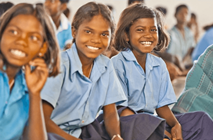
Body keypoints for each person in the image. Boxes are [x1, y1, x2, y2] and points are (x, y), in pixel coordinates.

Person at [41, 2, 165, 140]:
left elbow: (110, 113)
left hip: (84, 131)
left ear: (111, 36)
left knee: (138, 124)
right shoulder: (59, 65)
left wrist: (116, 136)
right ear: (74, 31)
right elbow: (43, 120)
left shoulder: (105, 65)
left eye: (104, 34)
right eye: (88, 32)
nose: (96, 40)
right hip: (52, 132)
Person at [111, 3, 213, 140]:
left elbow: (161, 107)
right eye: (140, 30)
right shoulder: (117, 64)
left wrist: (175, 125)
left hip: (154, 122)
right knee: (145, 120)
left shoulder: (159, 65)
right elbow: (120, 110)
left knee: (201, 119)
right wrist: (157, 130)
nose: (148, 35)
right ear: (126, 35)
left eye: (153, 30)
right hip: (127, 123)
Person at [0, 3, 64, 140]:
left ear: (42, 48)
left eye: (33, 37)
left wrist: (35, 94)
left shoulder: (26, 84)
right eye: (13, 32)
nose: (21, 41)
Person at [167, 4, 196, 68]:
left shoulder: (190, 33)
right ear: (175, 15)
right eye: (181, 13)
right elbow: (161, 53)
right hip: (171, 65)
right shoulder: (169, 33)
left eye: (186, 13)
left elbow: (190, 50)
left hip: (183, 65)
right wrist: (176, 60)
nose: (184, 15)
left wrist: (182, 63)